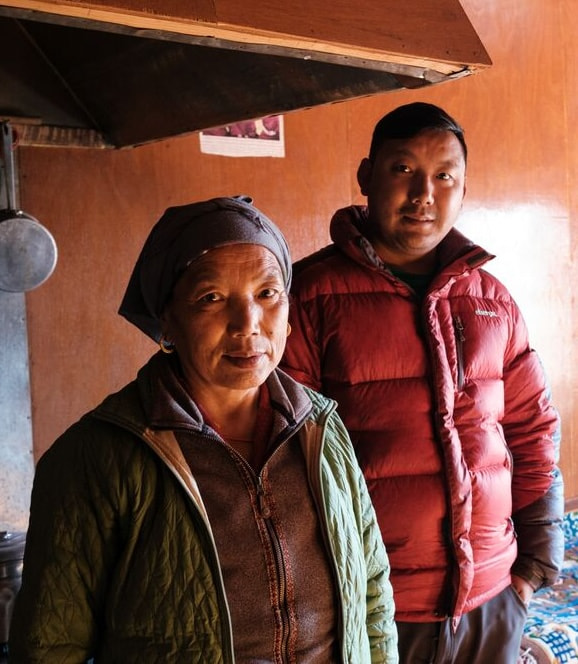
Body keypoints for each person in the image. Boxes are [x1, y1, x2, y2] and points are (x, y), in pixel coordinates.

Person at [8, 196, 398, 663]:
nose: (247, 323)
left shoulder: (321, 428)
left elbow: (372, 593)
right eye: (211, 298)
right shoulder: (96, 457)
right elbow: (51, 646)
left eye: (267, 293)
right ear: (167, 320)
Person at [281, 103, 565, 663]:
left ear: (462, 187)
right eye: (403, 170)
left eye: (443, 176)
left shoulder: (493, 301)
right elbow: (289, 458)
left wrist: (533, 569)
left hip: (492, 598)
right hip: (373, 607)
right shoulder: (308, 298)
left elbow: (532, 432)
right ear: (366, 176)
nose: (423, 195)